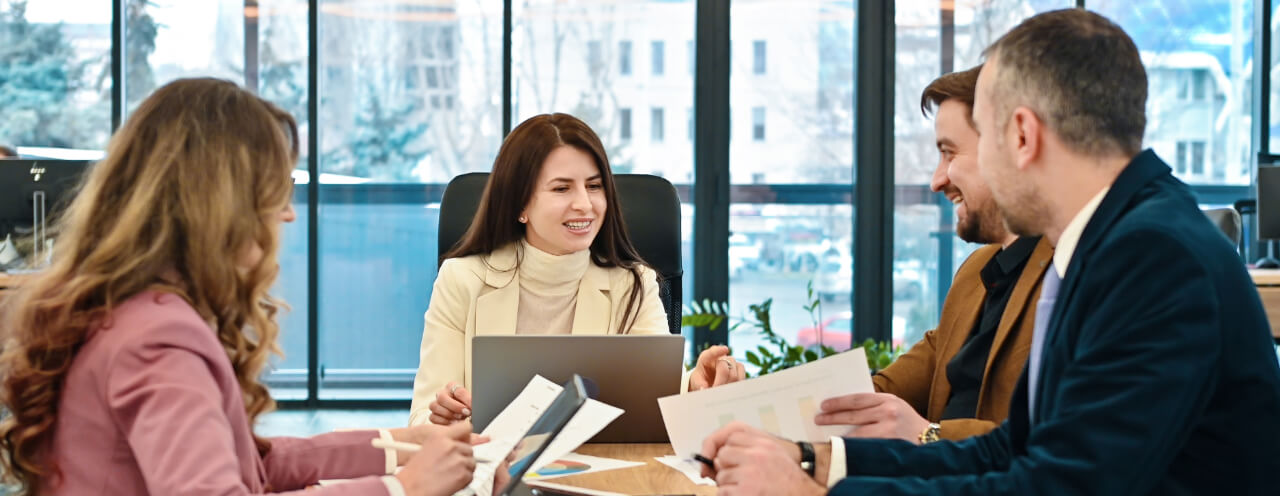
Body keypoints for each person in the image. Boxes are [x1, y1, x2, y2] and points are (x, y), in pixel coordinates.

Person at [697, 9, 1280, 495]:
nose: (942, 178)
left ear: (1022, 136)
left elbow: (1060, 487)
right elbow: (1013, 448)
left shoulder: (1151, 258)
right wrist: (820, 463)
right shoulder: (1112, 238)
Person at [0, 78, 503, 495]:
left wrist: (401, 447)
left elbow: (251, 464)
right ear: (219, 201)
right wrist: (404, 488)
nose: (285, 213)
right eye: (272, 191)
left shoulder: (125, 311)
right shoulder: (158, 337)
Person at [410, 113, 744, 427]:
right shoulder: (462, 280)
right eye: (561, 188)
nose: (585, 204)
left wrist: (694, 387)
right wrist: (444, 421)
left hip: (598, 474)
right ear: (520, 204)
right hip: (491, 474)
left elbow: (658, 394)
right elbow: (422, 419)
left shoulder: (633, 283)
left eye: (595, 186)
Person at [814, 65, 1052, 444]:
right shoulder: (977, 271)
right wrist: (729, 402)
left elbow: (1052, 444)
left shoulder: (1070, 277)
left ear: (1012, 146)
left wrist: (928, 435)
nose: (936, 180)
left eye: (949, 153)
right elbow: (876, 392)